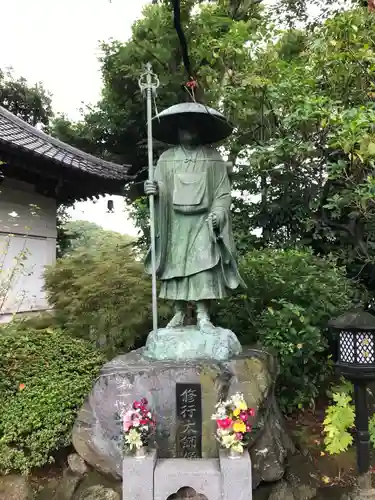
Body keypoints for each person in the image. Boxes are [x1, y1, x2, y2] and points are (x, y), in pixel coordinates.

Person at [144, 103, 244, 331]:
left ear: (200, 130)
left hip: (203, 222)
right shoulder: (166, 159)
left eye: (193, 127)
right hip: (176, 224)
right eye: (183, 128)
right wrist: (153, 190)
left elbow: (223, 193)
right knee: (175, 266)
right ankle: (178, 312)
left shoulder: (213, 158)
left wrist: (219, 213)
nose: (188, 132)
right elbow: (160, 189)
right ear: (177, 131)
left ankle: (203, 314)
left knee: (203, 266)